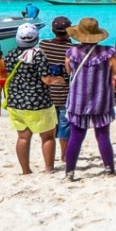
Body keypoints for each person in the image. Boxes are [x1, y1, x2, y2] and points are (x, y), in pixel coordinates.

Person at [64, 18, 116, 179]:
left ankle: (70, 171)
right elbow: (115, 71)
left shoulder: (71, 52)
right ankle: (109, 168)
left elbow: (68, 71)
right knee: (102, 135)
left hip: (78, 100)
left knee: (76, 136)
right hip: (101, 98)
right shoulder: (108, 52)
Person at [3, 23, 60, 174]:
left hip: (15, 103)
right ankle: (49, 169)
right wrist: (59, 80)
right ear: (36, 38)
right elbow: (46, 80)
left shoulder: (9, 55)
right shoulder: (38, 55)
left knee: (22, 137)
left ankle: (26, 170)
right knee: (47, 137)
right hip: (38, 102)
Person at [39, 16, 73, 162]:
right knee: (65, 127)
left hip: (47, 94)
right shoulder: (72, 49)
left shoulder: (43, 45)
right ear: (68, 31)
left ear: (53, 30)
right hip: (66, 94)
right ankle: (64, 156)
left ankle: (49, 157)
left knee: (50, 128)